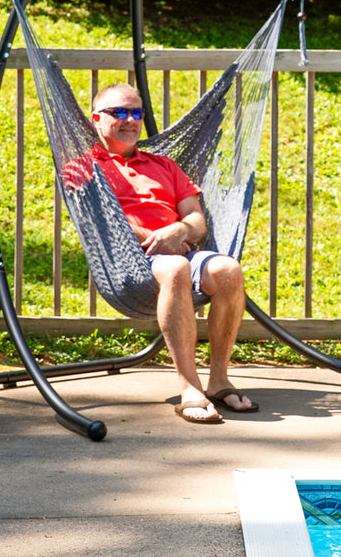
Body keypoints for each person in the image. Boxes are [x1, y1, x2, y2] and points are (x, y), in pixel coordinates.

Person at [82, 82, 257, 424]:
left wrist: (179, 230)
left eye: (136, 113)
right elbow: (97, 219)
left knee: (228, 269)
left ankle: (219, 381)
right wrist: (157, 238)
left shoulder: (164, 165)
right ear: (96, 119)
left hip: (178, 252)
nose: (130, 120)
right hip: (128, 263)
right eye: (119, 112)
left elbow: (196, 218)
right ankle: (189, 387)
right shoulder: (84, 166)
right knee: (176, 266)